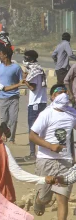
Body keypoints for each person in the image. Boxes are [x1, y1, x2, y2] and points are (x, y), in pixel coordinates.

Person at [29, 85, 76, 219]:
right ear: (52, 97)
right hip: (46, 159)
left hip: (65, 161)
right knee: (46, 199)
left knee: (62, 198)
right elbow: (32, 135)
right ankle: (39, 200)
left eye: (65, 92)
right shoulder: (46, 113)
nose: (63, 94)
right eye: (59, 92)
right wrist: (50, 146)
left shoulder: (72, 113)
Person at [22, 50, 48, 162]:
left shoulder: (34, 70)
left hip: (35, 104)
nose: (25, 59)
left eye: (27, 57)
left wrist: (25, 81)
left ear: (31, 59)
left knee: (32, 130)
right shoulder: (39, 69)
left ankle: (33, 153)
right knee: (42, 129)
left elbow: (33, 87)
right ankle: (44, 152)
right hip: (42, 102)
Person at [0, 46, 23, 143]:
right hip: (2, 97)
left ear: (6, 55)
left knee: (13, 119)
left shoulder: (16, 67)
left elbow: (21, 81)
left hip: (14, 97)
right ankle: (4, 136)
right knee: (4, 120)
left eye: (1, 53)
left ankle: (11, 139)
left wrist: (16, 85)